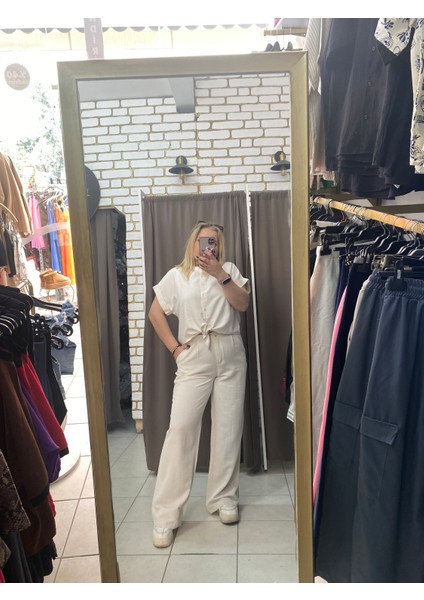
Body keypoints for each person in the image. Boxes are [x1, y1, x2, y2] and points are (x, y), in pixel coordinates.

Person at [148, 221, 250, 548]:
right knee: (180, 430)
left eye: (215, 242)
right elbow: (155, 313)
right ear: (193, 243)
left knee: (229, 428)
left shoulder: (229, 270)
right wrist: (175, 350)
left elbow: (242, 304)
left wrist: (221, 274)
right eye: (205, 241)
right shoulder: (176, 276)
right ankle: (166, 515)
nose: (210, 247)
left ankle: (223, 498)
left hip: (230, 352)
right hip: (194, 356)